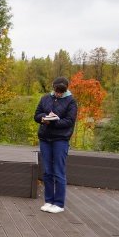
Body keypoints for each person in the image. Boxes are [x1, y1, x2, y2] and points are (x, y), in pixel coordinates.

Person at [34, 76, 78, 213]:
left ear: (65, 89)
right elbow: (36, 115)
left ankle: (59, 203)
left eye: (61, 91)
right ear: (53, 88)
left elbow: (69, 121)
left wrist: (54, 121)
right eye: (56, 90)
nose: (58, 93)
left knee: (58, 171)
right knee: (47, 171)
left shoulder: (71, 101)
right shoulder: (45, 98)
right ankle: (48, 200)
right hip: (45, 138)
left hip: (60, 139)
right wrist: (43, 118)